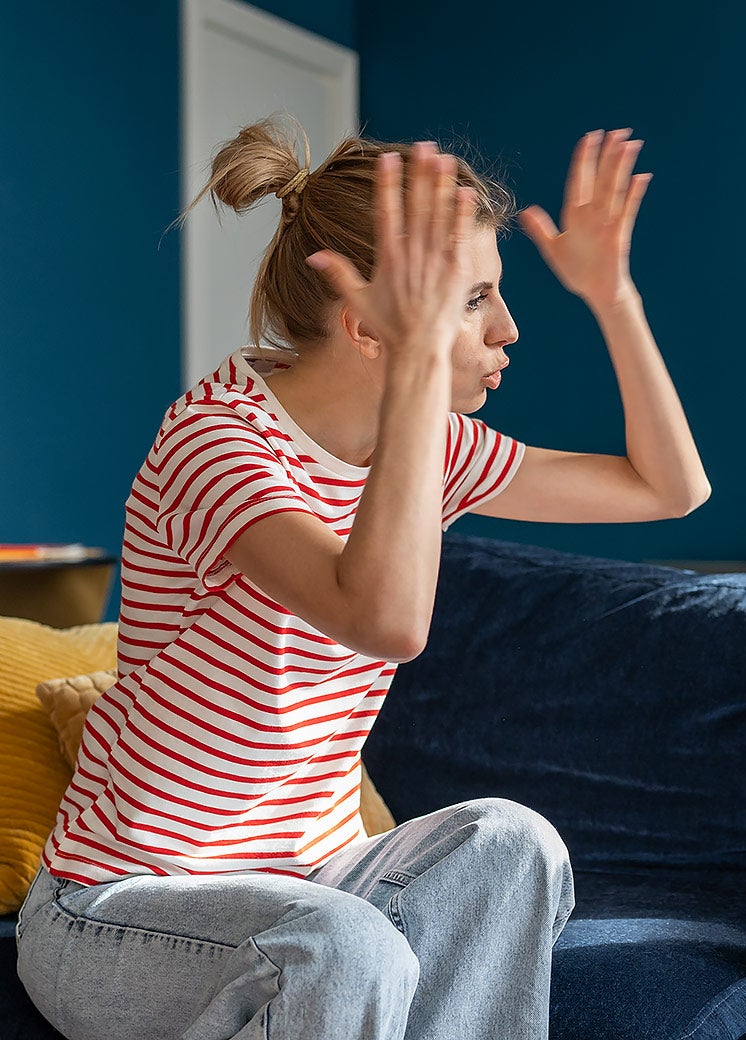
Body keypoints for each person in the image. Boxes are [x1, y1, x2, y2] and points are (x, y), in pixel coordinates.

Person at [16, 121, 708, 1039]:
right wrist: (425, 367)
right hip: (122, 909)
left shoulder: (432, 446)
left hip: (309, 882)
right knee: (347, 948)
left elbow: (670, 488)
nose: (508, 328)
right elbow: (381, 617)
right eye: (475, 299)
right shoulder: (217, 443)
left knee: (512, 842)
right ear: (368, 329)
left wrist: (612, 296)